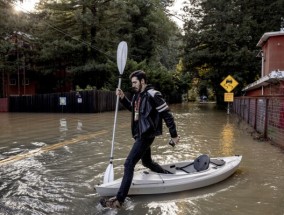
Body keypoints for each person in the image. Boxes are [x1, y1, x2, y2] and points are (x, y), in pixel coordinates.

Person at [100, 70, 179, 208]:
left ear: (142, 81)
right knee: (147, 162)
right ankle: (167, 175)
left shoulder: (154, 94)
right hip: (139, 135)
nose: (133, 85)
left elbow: (167, 115)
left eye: (135, 82)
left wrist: (174, 135)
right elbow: (133, 109)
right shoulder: (137, 96)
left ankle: (119, 200)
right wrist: (123, 97)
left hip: (146, 135)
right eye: (132, 83)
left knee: (128, 164)